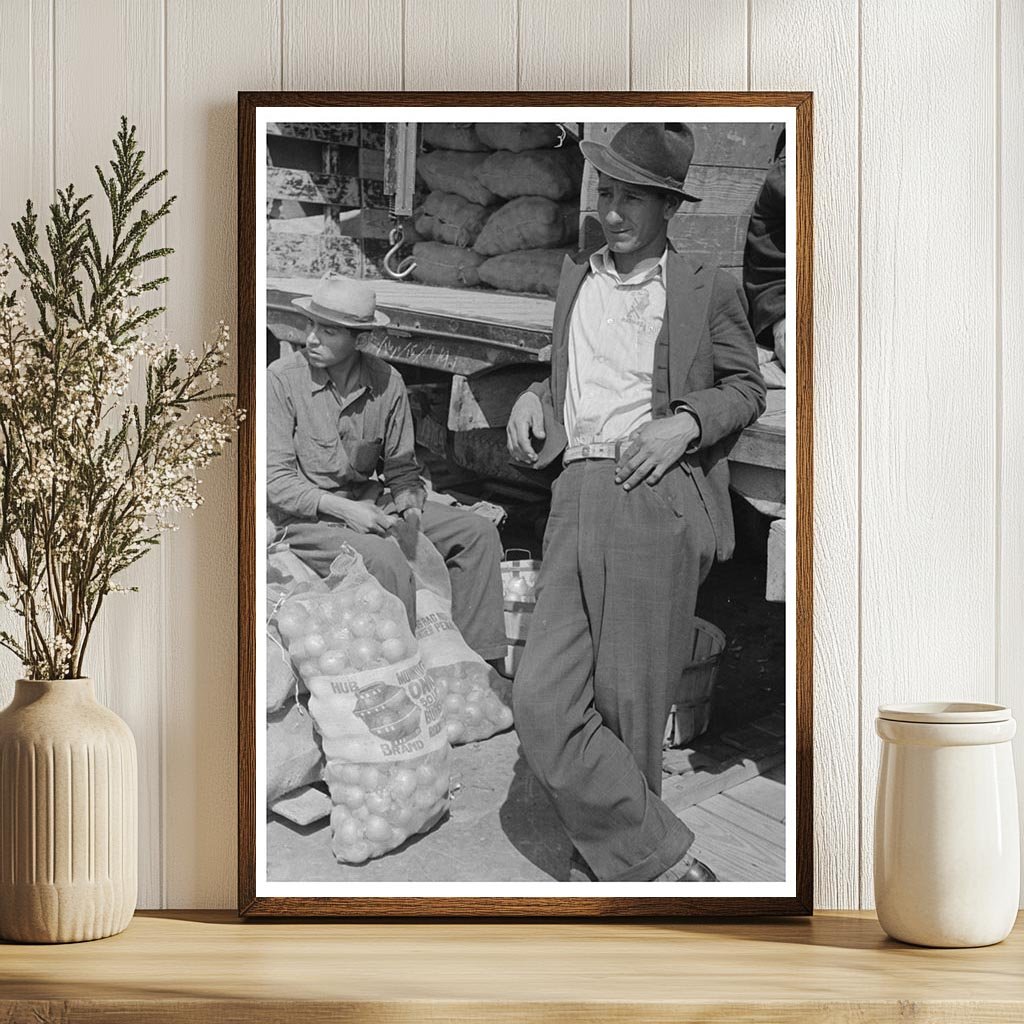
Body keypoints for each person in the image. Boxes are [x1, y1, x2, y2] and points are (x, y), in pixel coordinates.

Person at [506, 123, 766, 883]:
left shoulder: (701, 286)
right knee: (542, 697)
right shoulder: (574, 275)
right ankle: (661, 853)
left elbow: (744, 387)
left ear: (667, 208)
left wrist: (684, 423)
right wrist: (532, 395)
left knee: (632, 698)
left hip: (652, 493)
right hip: (574, 490)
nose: (612, 211)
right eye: (606, 193)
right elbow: (568, 373)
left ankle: (625, 867)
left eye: (630, 198)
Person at [267, 274, 508, 667]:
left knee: (475, 533)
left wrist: (410, 509)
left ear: (359, 339)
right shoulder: (282, 381)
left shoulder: (386, 380)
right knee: (385, 557)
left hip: (372, 504)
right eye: (311, 326)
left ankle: (476, 666)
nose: (312, 338)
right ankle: (411, 668)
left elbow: (400, 466)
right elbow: (277, 484)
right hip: (306, 520)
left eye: (328, 331)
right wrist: (348, 511)